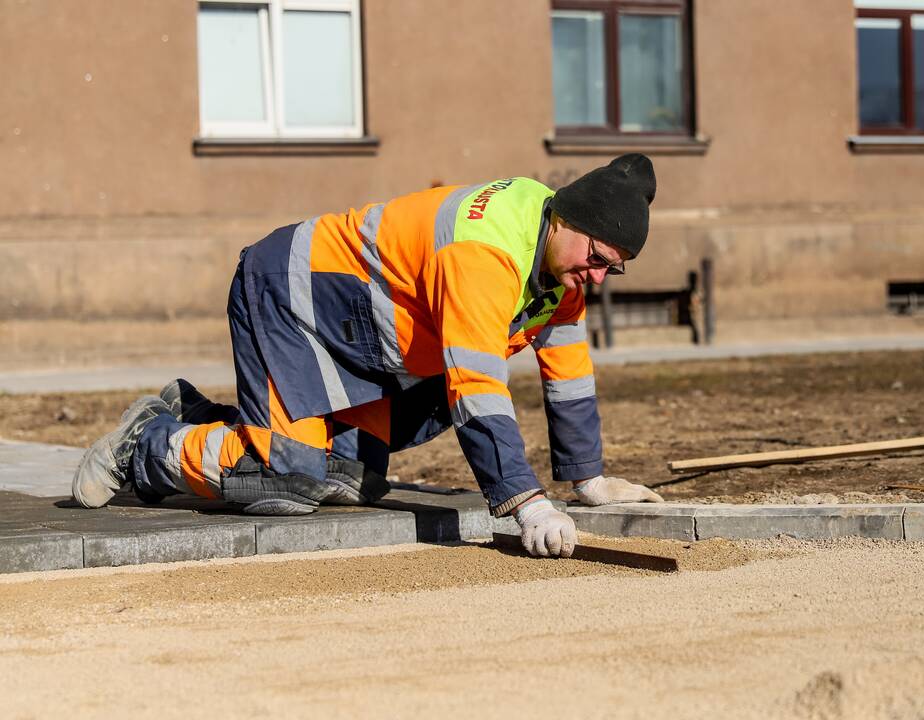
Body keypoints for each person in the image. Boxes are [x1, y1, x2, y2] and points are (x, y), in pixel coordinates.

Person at [72, 153, 665, 557]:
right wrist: (526, 505)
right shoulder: (486, 251)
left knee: (355, 474)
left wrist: (590, 482)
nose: (599, 276)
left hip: (373, 345)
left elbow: (568, 376)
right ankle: (150, 444)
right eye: (595, 255)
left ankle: (203, 418)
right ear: (565, 218)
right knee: (288, 480)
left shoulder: (564, 273)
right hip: (296, 297)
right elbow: (476, 387)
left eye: (613, 267)